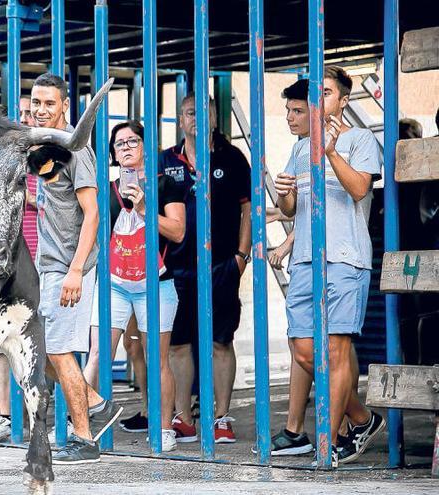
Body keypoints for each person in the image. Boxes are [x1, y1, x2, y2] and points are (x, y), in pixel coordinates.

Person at [274, 67, 385, 465]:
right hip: (305, 258)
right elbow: (294, 210)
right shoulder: (301, 147)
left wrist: (332, 151)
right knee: (303, 348)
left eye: (325, 92)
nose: (317, 99)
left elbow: (359, 190)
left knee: (337, 351)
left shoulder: (360, 140)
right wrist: (284, 196)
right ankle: (361, 418)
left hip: (344, 258)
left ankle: (330, 444)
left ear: (342, 101)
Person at [30, 72, 123, 464]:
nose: (41, 109)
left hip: (70, 267)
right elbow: (58, 203)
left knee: (60, 352)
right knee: (43, 351)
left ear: (65, 105)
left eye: (50, 103)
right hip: (49, 265)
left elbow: (93, 213)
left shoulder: (77, 147)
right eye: (36, 102)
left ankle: (85, 438)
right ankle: (95, 400)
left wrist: (75, 270)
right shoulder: (43, 144)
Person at [83, 120, 186, 451]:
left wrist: (143, 205)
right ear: (112, 153)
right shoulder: (106, 188)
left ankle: (165, 426)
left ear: (145, 146)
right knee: (98, 352)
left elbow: (178, 231)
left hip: (155, 283)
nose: (125, 147)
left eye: (132, 141)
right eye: (119, 144)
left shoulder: (164, 183)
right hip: (115, 282)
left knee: (156, 357)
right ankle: (81, 424)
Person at [159, 94, 251, 445]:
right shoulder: (166, 160)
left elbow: (248, 209)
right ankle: (183, 418)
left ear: (215, 116)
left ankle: (221, 418)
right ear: (181, 119)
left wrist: (241, 257)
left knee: (219, 341)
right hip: (177, 268)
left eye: (204, 111)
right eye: (189, 112)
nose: (197, 117)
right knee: (178, 345)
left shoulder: (232, 158)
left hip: (221, 265)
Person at [0, 99, 36, 445]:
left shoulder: (44, 156)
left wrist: (31, 199)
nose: (27, 118)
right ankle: (0, 414)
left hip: (37, 254)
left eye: (31, 112)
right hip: (0, 256)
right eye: (22, 113)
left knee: (31, 341)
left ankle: (28, 415)